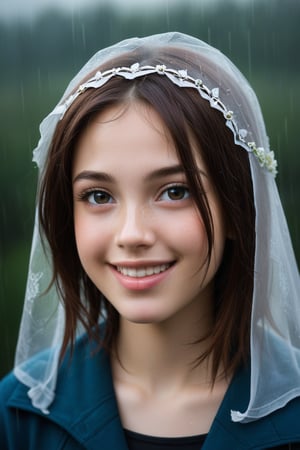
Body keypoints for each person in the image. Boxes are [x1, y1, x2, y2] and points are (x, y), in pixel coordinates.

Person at [0, 32, 299, 449]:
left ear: (237, 206)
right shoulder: (18, 415)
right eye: (98, 196)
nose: (133, 234)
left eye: (175, 191)